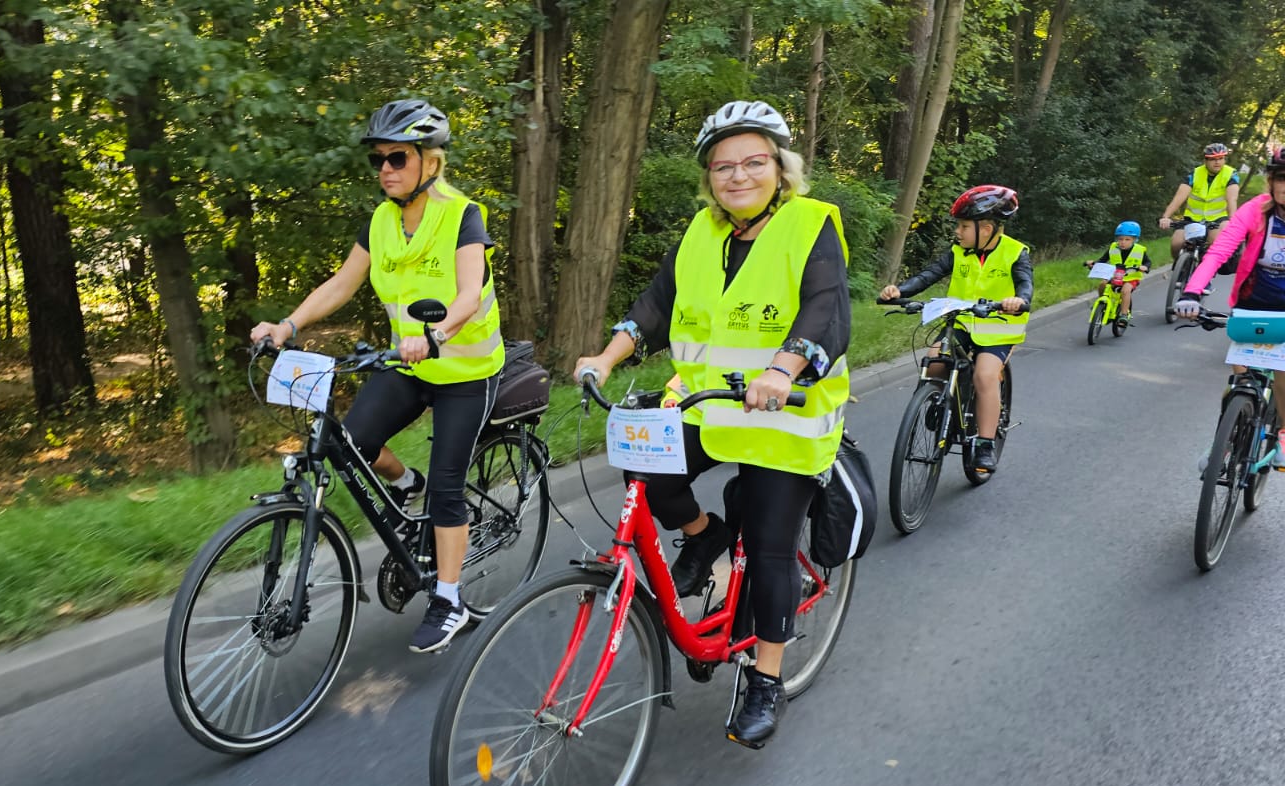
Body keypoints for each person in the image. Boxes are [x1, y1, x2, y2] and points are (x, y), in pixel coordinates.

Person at [572, 100, 849, 749]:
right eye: (723, 166)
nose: (738, 175)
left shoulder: (813, 224)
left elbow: (824, 309)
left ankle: (766, 678)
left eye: (754, 162)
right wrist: (607, 356)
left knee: (772, 543)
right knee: (643, 461)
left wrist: (784, 370)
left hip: (789, 418)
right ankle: (703, 535)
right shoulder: (701, 232)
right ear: (709, 177)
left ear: (780, 168)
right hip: (712, 409)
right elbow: (656, 305)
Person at [250, 99, 503, 653]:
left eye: (397, 157)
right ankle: (403, 484)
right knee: (353, 442)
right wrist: (289, 323)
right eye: (378, 160)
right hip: (407, 364)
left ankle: (450, 599)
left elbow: (466, 293)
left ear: (429, 161)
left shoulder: (463, 215)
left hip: (465, 370)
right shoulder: (382, 220)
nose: (386, 168)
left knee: (446, 489)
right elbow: (342, 284)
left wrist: (435, 336)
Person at [878, 185, 1033, 473]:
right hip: (961, 321)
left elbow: (1025, 285)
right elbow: (930, 274)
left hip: (998, 328)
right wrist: (899, 291)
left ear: (986, 228)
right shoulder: (957, 252)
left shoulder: (1015, 253)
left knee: (985, 376)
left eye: (963, 226)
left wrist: (1019, 300)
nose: (957, 232)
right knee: (934, 361)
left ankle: (985, 443)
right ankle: (939, 402)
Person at [1176, 147, 1285, 428]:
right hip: (1252, 303)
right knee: (1240, 381)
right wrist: (1192, 291)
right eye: (1281, 178)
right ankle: (1227, 439)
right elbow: (1219, 251)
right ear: (1271, 181)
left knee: (1283, 377)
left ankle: (1283, 433)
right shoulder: (1255, 210)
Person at [1161, 142, 1239, 258]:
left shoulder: (1230, 174)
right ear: (1205, 160)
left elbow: (1232, 199)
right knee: (1176, 243)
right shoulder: (1195, 173)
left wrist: (1233, 221)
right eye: (1213, 159)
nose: (1217, 162)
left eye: (1221, 158)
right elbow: (1179, 198)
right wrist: (1166, 217)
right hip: (1192, 218)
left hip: (1217, 219)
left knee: (1215, 243)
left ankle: (1205, 270)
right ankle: (1178, 270)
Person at [1084, 221, 1150, 323]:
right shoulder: (1113, 247)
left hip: (1130, 278)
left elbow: (1147, 262)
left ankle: (1123, 314)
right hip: (1114, 275)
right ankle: (1102, 304)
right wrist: (1093, 264)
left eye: (1127, 239)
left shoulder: (1140, 250)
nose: (1123, 242)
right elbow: (1103, 259)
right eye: (1120, 239)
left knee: (1125, 291)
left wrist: (1145, 267)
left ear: (1134, 240)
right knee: (1102, 284)